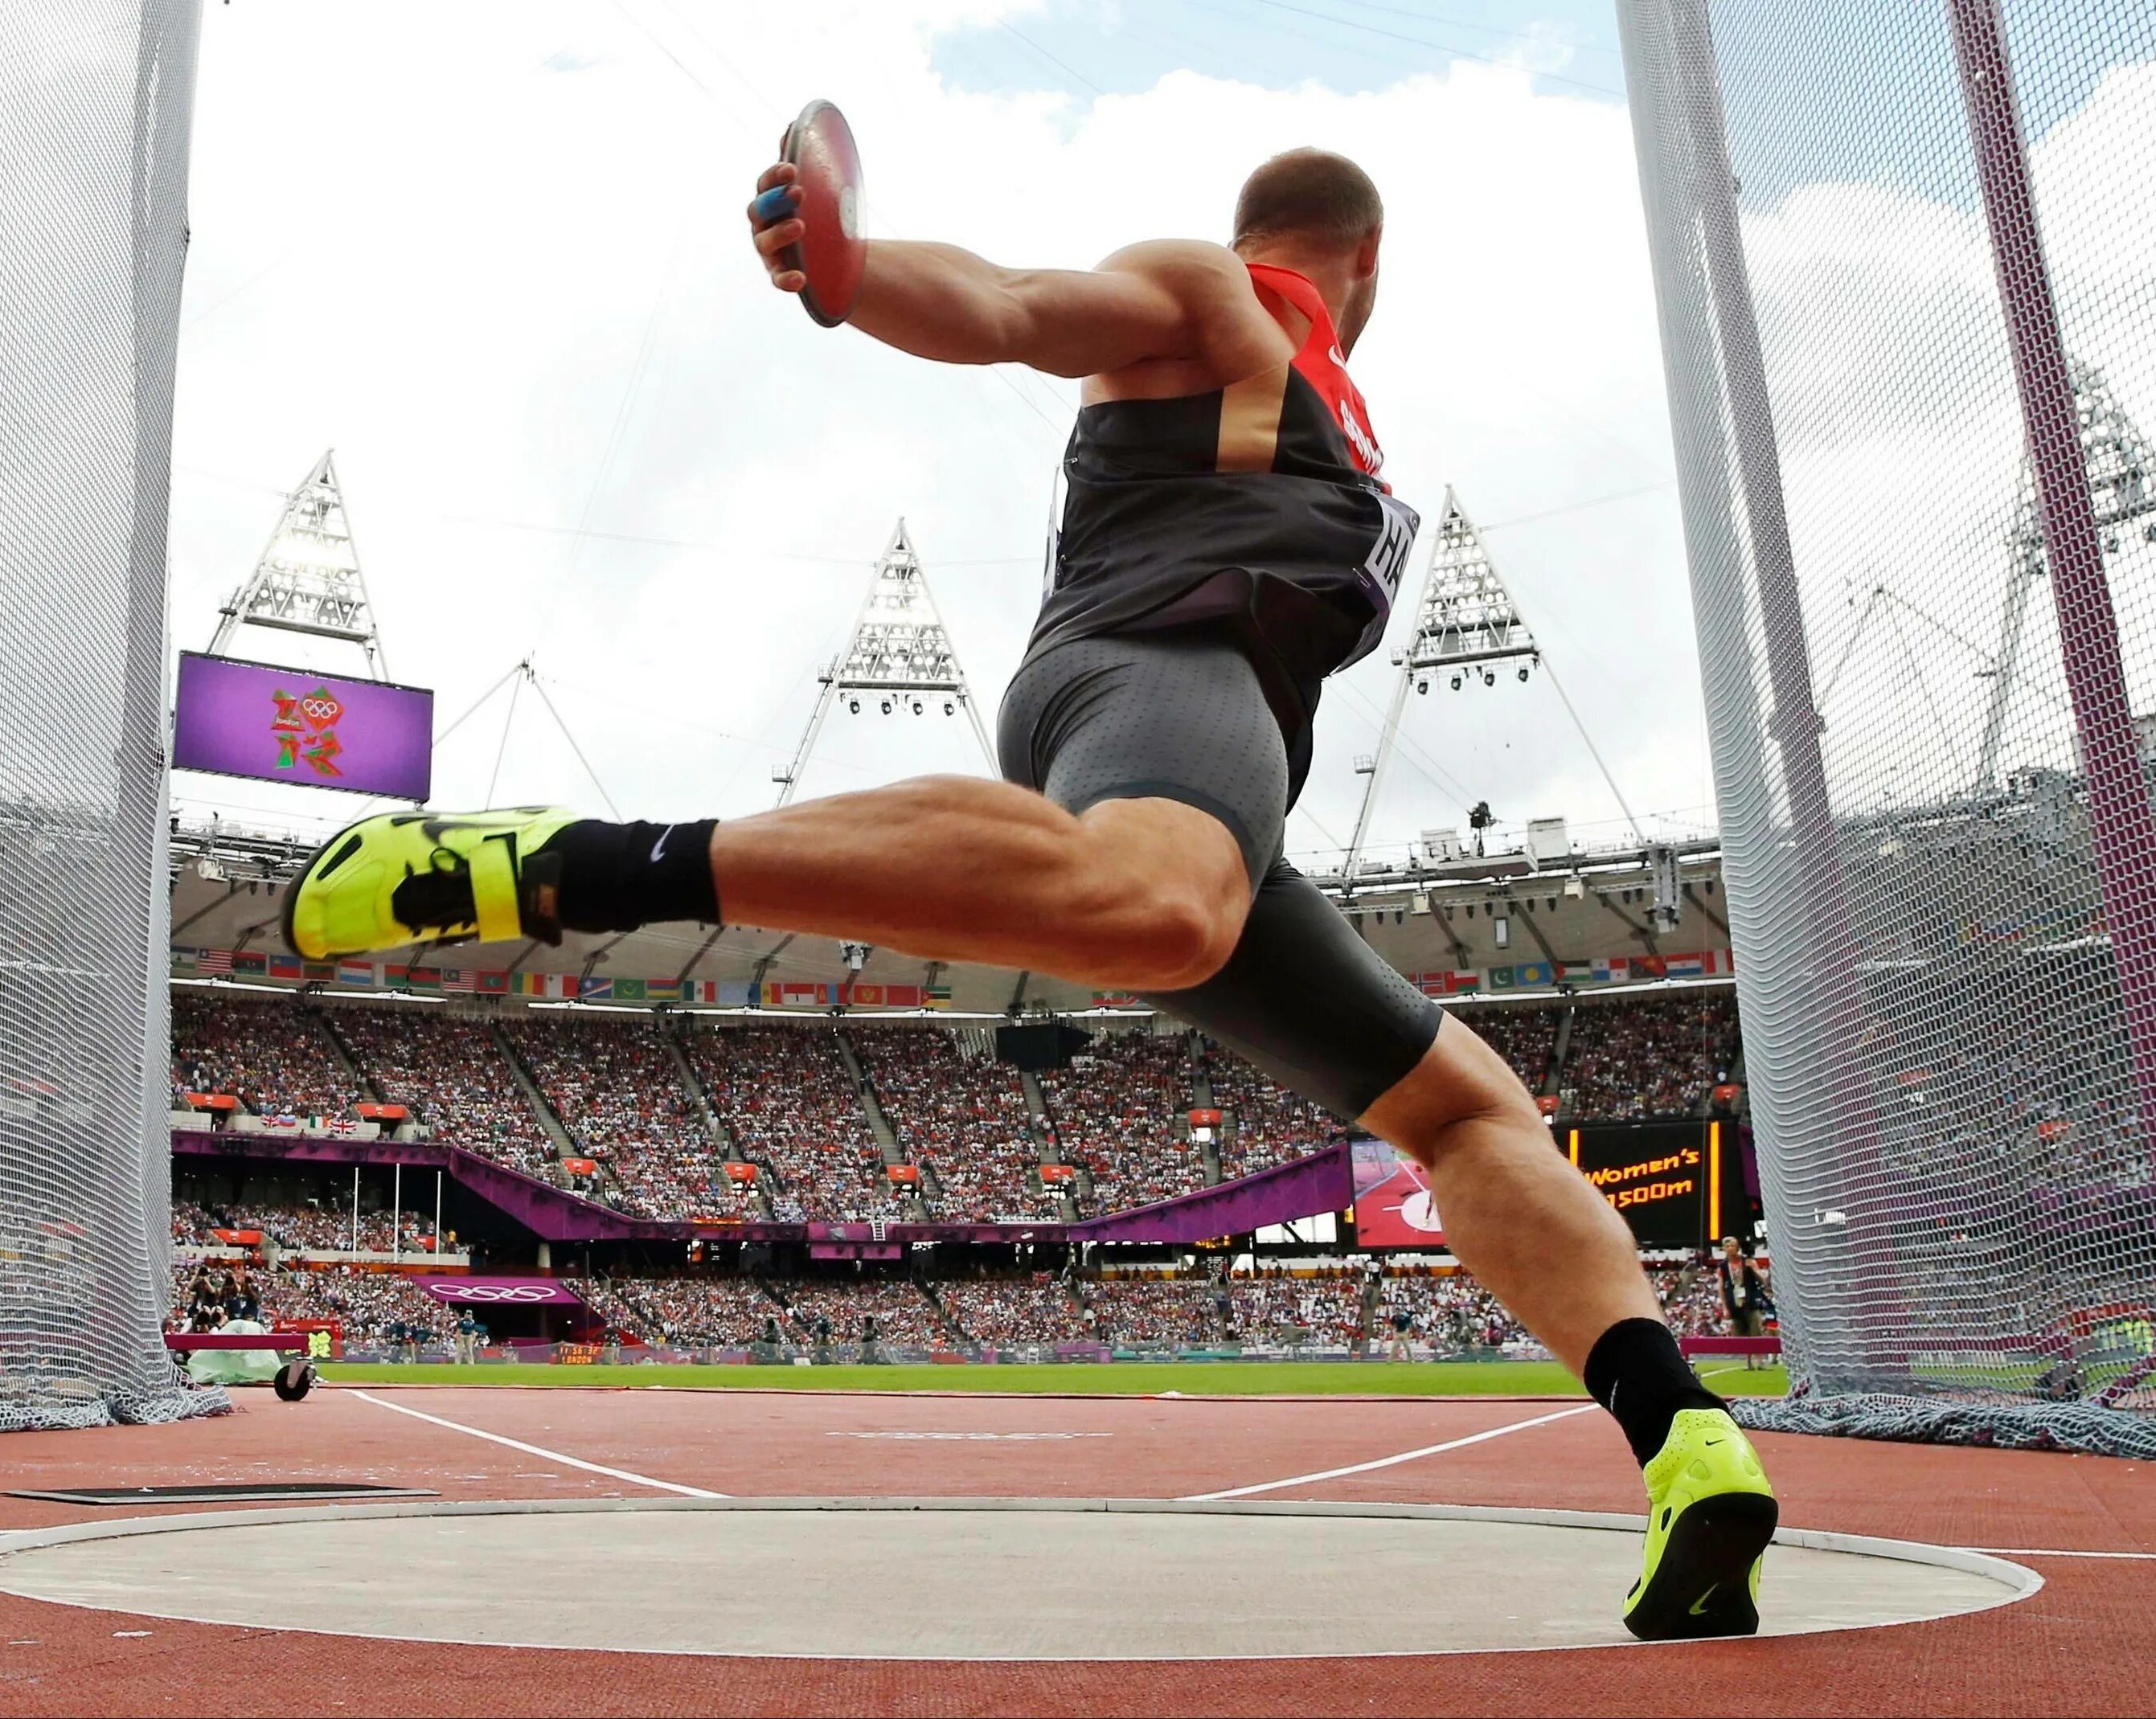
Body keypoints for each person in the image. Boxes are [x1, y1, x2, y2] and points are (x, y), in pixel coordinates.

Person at [280, 142, 1774, 1639]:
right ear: (1368, 260)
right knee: (1163, 910)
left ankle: (1683, 1435)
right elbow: (1014, 304)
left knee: (1471, 1111)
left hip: (1230, 774)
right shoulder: (1219, 290)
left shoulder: (1333, 400)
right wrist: (854, 273)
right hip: (1149, 677)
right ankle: (571, 863)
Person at [1716, 1236, 1769, 1340]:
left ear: (1737, 1247)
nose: (1730, 1248)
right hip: (1734, 1305)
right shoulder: (1722, 1266)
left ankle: (1758, 1356)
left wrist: (1752, 1269)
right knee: (1739, 1338)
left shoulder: (1748, 1262)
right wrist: (1725, 1308)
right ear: (1724, 1249)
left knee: (1756, 1334)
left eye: (1733, 1246)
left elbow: (1763, 1280)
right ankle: (1743, 1357)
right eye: (1727, 1246)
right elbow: (1721, 1288)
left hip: (1751, 1303)